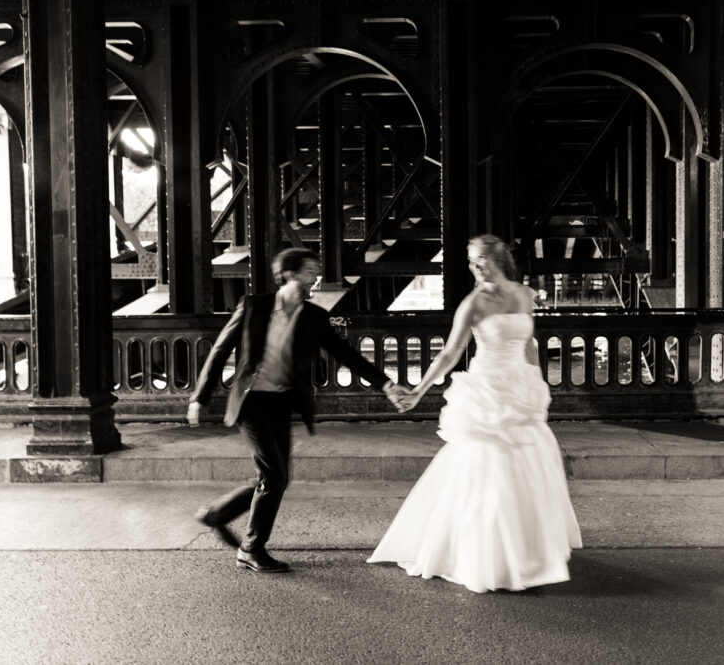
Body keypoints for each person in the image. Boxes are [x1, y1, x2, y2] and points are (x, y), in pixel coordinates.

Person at [368, 234, 582, 593]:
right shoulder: (473, 303)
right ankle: (486, 554)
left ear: (499, 258)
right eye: (471, 259)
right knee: (489, 471)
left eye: (481, 258)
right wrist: (419, 391)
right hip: (487, 393)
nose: (475, 265)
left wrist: (537, 384)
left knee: (528, 469)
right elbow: (450, 353)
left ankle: (528, 550)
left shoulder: (524, 295)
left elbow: (528, 345)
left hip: (520, 391)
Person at [188, 248, 407, 573]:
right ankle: (250, 549)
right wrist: (199, 397)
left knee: (275, 477)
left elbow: (345, 354)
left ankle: (216, 514)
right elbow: (220, 350)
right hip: (250, 402)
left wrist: (386, 384)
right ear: (289, 274)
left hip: (281, 403)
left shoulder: (313, 316)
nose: (315, 278)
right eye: (310, 272)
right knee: (274, 476)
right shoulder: (254, 305)